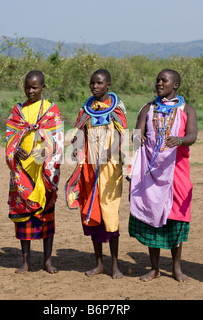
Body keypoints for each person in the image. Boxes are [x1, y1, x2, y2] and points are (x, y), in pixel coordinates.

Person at [128, 69, 198, 282]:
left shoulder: (187, 109)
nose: (159, 83)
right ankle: (155, 268)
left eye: (164, 80)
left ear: (175, 85)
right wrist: (136, 139)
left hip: (176, 171)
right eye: (157, 79)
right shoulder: (148, 108)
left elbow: (193, 136)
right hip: (150, 171)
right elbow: (137, 135)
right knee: (151, 215)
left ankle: (176, 268)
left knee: (176, 217)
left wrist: (180, 140)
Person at [65, 69, 127, 279]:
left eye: (99, 83)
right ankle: (99, 263)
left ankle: (115, 265)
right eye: (92, 83)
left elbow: (122, 134)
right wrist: (77, 147)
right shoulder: (86, 109)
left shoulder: (117, 108)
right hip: (90, 168)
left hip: (110, 169)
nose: (95, 86)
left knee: (110, 214)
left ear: (108, 84)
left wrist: (110, 151)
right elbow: (78, 133)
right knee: (94, 215)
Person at [6, 70, 63, 274]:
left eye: (34, 87)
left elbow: (57, 139)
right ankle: (26, 261)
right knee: (24, 214)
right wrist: (15, 149)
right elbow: (11, 136)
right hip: (22, 170)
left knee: (46, 214)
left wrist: (45, 153)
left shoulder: (50, 110)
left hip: (44, 170)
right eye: (27, 87)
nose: (30, 90)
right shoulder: (18, 111)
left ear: (43, 88)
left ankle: (47, 261)